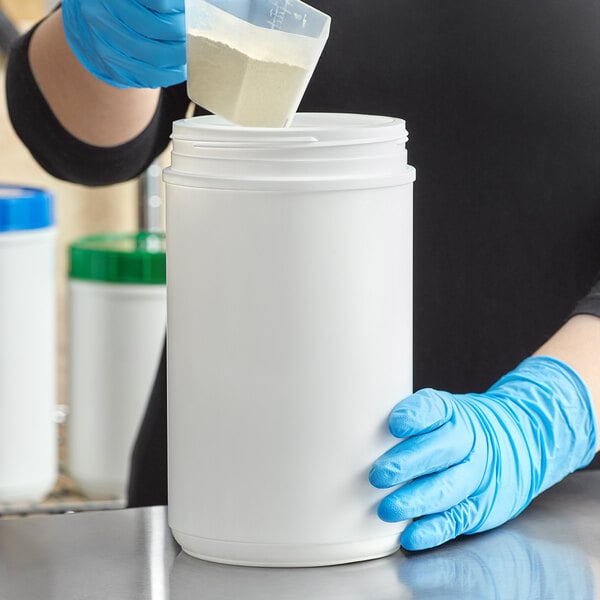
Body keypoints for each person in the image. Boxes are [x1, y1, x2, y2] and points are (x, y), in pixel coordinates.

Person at [6, 0, 600, 551]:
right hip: (225, 503)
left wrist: (548, 417)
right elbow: (81, 142)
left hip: (559, 515)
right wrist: (106, 32)